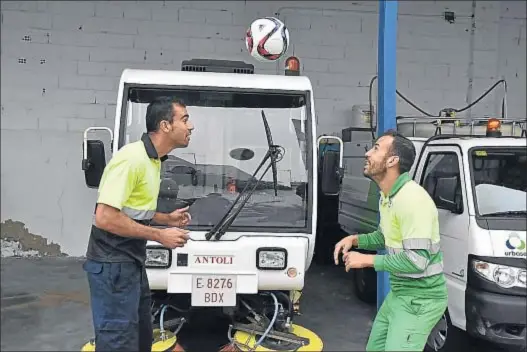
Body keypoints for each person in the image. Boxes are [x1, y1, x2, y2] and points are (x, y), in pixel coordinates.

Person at [83, 96, 195, 351]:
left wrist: (166, 219)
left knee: (142, 338)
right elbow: (105, 217)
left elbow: (131, 209)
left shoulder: (153, 160)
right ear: (165, 125)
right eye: (185, 119)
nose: (191, 127)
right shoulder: (131, 159)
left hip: (131, 262)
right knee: (119, 342)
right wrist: (160, 235)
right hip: (112, 265)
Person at [333, 130, 447, 351]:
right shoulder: (388, 196)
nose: (367, 153)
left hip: (420, 300)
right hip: (400, 294)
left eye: (376, 148)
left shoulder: (412, 199)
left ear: (392, 160)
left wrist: (367, 261)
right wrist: (355, 239)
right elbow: (384, 237)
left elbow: (417, 261)